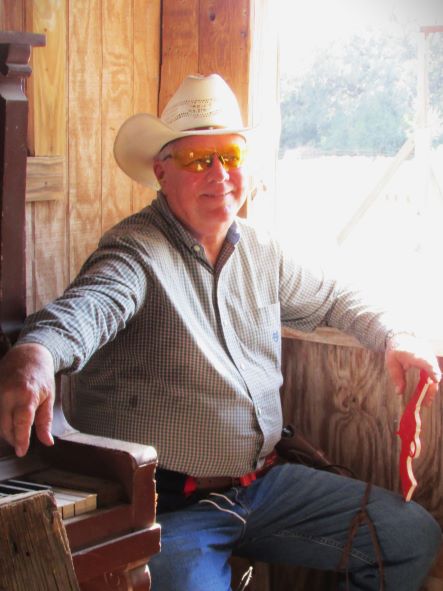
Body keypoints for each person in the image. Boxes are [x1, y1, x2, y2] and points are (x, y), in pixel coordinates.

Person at [0, 73, 441, 591]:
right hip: (171, 506)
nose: (219, 174)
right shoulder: (135, 251)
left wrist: (394, 334)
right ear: (161, 171)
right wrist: (37, 351)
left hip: (263, 486)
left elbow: (335, 297)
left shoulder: (260, 249)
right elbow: (89, 306)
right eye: (196, 159)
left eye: (230, 155)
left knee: (409, 536)